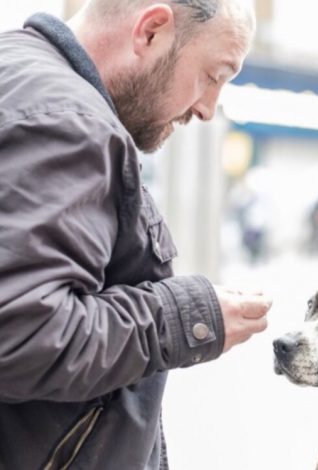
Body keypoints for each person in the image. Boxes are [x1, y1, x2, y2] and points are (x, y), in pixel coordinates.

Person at [0, 1, 272, 468]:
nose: (208, 108)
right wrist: (189, 318)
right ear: (151, 31)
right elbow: (25, 334)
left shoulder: (16, 70)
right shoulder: (69, 122)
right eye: (214, 74)